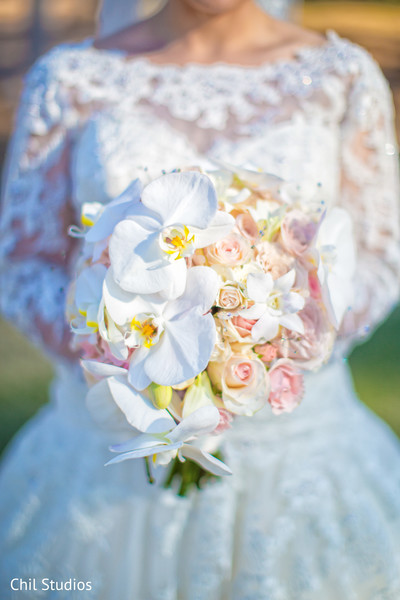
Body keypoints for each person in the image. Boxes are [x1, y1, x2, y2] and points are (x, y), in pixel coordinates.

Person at [1, 0, 400, 598]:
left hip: (299, 447)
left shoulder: (342, 75)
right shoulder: (70, 79)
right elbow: (22, 262)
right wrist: (133, 354)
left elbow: (377, 254)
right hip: (111, 442)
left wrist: (267, 346)